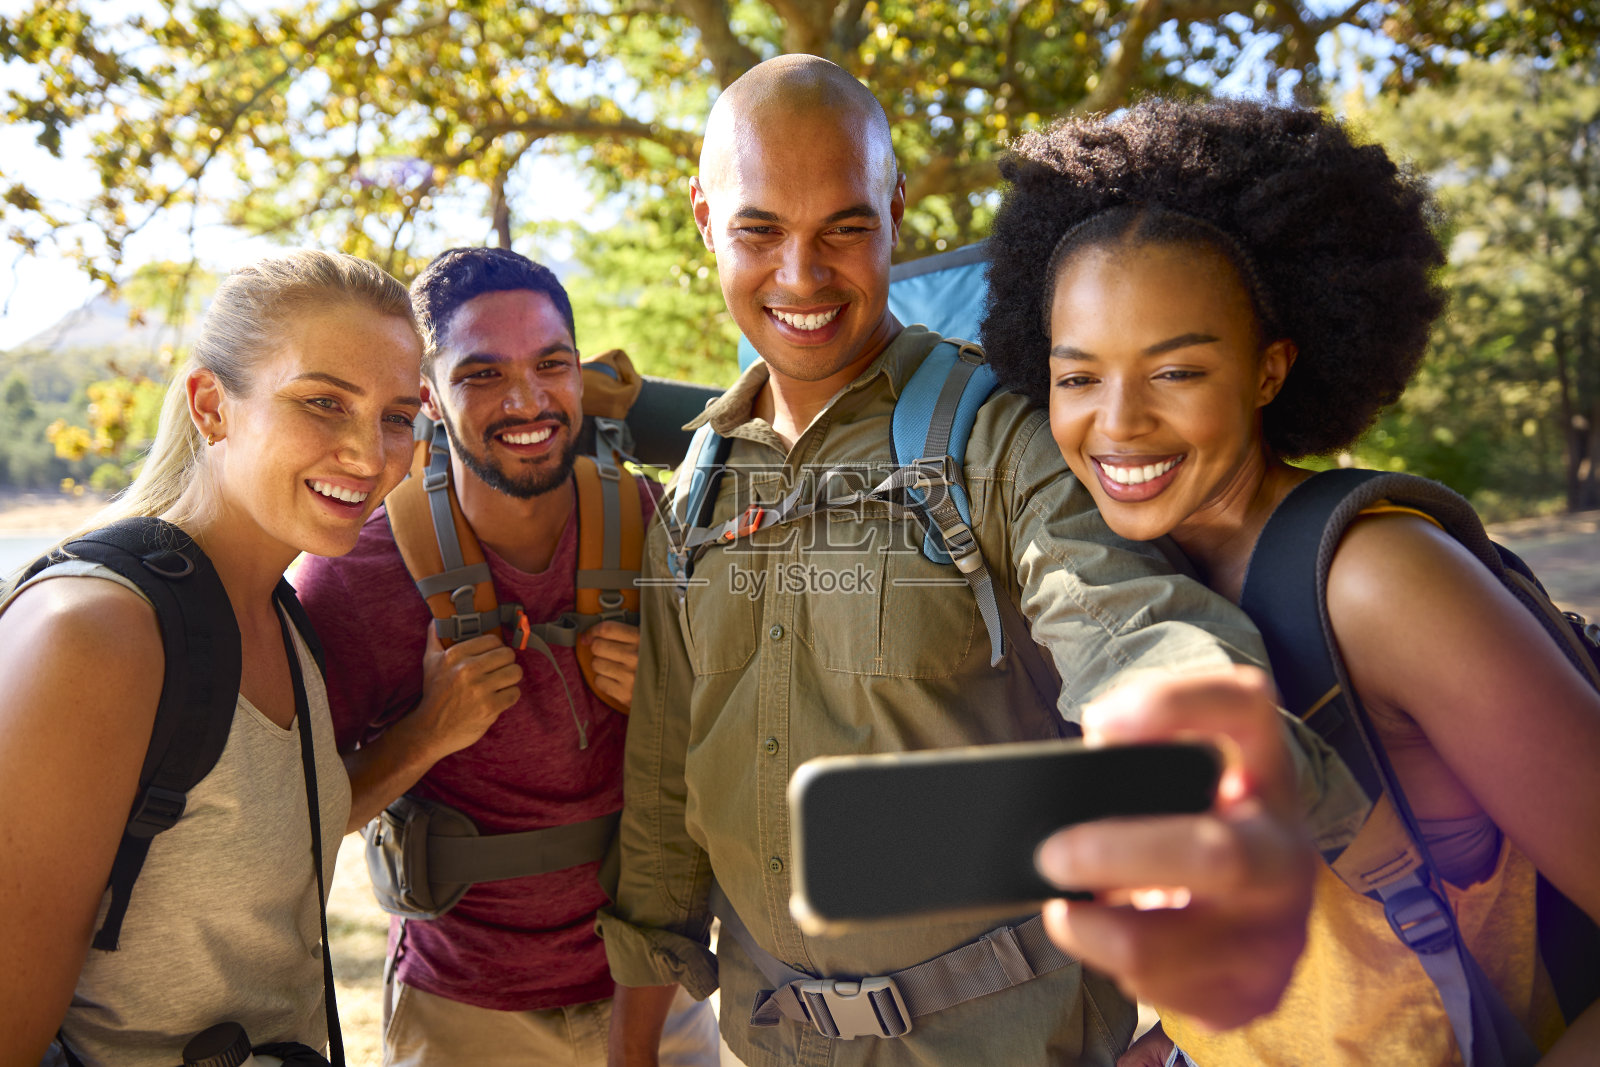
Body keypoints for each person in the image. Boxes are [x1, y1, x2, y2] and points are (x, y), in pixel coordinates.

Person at [601, 55, 1330, 1067]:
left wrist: (1191, 723)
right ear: (703, 218)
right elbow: (664, 790)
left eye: (844, 228)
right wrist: (631, 1044)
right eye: (760, 231)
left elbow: (1121, 619)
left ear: (896, 211)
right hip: (772, 1042)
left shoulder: (995, 436)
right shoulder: (695, 488)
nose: (801, 276)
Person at [980, 96, 1600, 1065]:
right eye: (1078, 377)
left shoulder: (1378, 582)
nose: (1119, 422)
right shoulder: (1127, 587)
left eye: (1176, 372)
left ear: (1268, 371)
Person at [293, 247, 719, 1067]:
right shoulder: (357, 575)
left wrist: (677, 702)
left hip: (655, 993)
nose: (526, 400)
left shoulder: (658, 525)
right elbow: (297, 817)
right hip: (463, 1012)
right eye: (483, 374)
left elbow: (755, 743)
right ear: (428, 395)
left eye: (551, 364)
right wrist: (425, 734)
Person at [0, 250, 424, 1066]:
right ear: (211, 405)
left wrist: (433, 730)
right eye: (324, 402)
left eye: (398, 416)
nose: (371, 455)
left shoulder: (282, 617)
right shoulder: (93, 634)